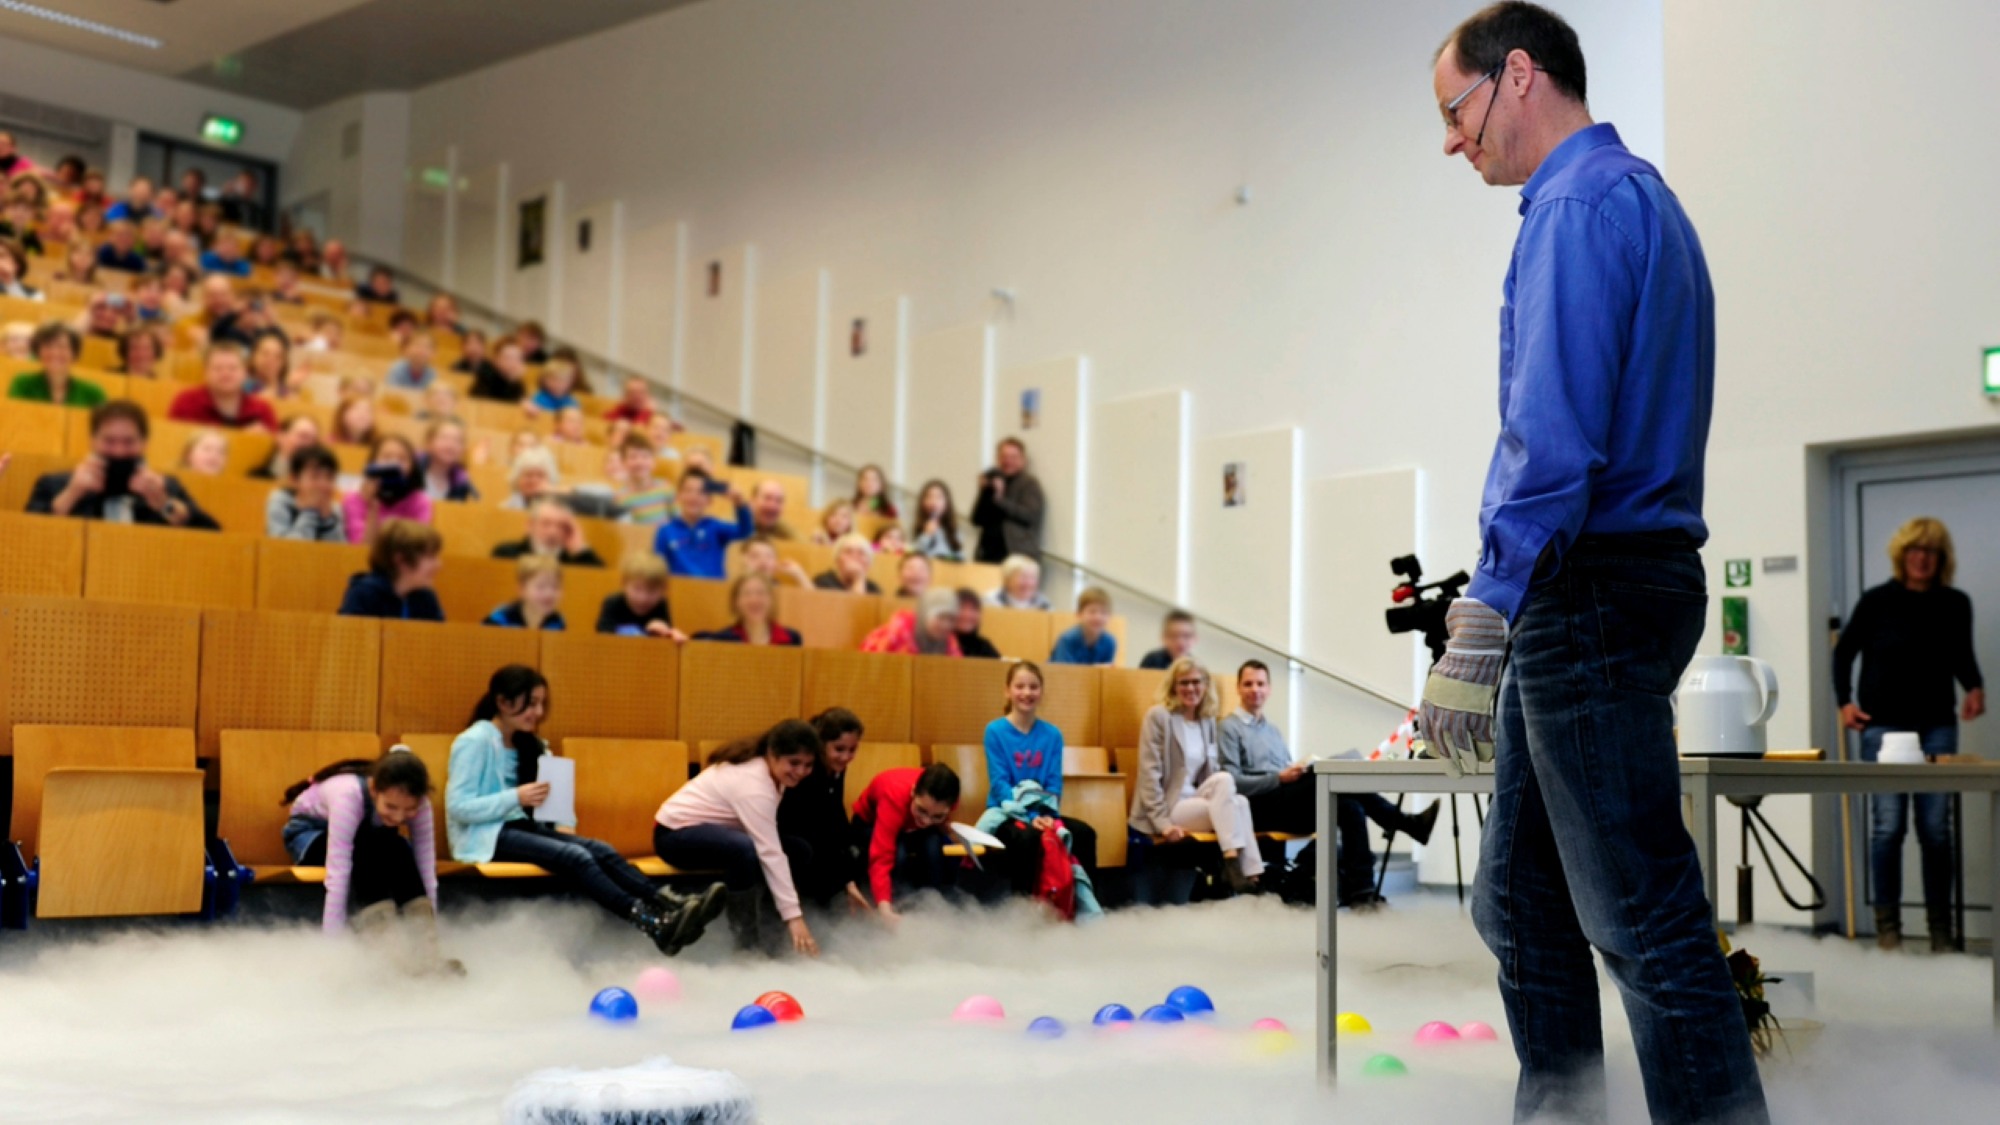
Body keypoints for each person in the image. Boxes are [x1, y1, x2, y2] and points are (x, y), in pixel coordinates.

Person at [1421, 7, 1767, 1122]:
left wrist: (1484, 610)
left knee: (1638, 915)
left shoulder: (1571, 208)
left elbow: (1550, 439)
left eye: (1453, 112)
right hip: (1627, 581)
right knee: (1519, 900)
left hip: (1590, 590)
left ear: (1516, 76)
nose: (1449, 142)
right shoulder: (1646, 202)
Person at [448, 665, 724, 955]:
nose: (538, 712)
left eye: (542, 703)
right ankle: (652, 923)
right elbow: (459, 808)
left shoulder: (533, 745)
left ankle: (670, 903)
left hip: (520, 828)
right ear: (503, 702)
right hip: (486, 836)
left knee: (599, 849)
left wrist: (565, 826)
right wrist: (515, 797)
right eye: (531, 704)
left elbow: (557, 795)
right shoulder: (474, 741)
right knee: (575, 856)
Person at [1833, 516, 1985, 952]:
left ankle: (1940, 933)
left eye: (1931, 551)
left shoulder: (1955, 603)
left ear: (1942, 559)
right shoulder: (1877, 601)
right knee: (1888, 827)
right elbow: (1844, 653)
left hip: (1937, 726)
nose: (1922, 558)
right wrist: (1845, 701)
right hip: (1882, 729)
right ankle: (1888, 932)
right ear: (1902, 555)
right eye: (1915, 550)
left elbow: (1962, 655)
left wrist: (1975, 687)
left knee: (1936, 828)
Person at [1220, 660, 1438, 907]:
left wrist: (1296, 770)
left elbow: (1285, 767)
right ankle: (1403, 822)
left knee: (1349, 806)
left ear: (1268, 688)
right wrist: (1278, 778)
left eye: (1260, 683)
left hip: (1287, 800)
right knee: (1329, 774)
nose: (1255, 689)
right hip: (1260, 806)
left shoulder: (1272, 730)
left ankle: (1362, 893)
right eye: (1248, 684)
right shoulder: (1229, 727)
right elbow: (1231, 781)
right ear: (1238, 688)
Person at [654, 720, 823, 956]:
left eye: (808, 765)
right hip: (674, 838)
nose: (801, 771)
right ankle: (746, 945)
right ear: (772, 754)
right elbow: (770, 852)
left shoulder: (772, 774)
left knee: (798, 850)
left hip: (714, 836)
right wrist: (795, 917)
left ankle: (773, 936)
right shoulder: (754, 783)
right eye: (794, 763)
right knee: (744, 850)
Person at [280, 749, 450, 969]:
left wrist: (430, 931)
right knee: (366, 846)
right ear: (373, 790)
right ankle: (386, 954)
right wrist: (331, 947)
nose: (399, 817)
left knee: (399, 847)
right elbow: (338, 872)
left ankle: (426, 957)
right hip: (310, 836)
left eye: (409, 809)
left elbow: (426, 866)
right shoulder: (349, 796)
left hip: (370, 840)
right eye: (390, 807)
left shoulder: (421, 804)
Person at [1128, 657, 1262, 893]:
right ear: (1173, 687)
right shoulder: (1158, 716)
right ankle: (1239, 868)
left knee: (1239, 800)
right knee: (1231, 792)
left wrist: (1219, 798)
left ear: (1206, 685)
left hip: (1197, 800)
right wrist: (1164, 825)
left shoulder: (1207, 719)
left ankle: (1249, 875)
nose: (1191, 688)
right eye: (1184, 683)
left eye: (1196, 682)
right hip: (1170, 806)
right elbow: (1149, 774)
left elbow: (1210, 774)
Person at [982, 661, 1099, 893]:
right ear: (1008, 691)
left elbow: (1054, 783)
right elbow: (999, 783)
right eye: (1020, 686)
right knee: (1027, 839)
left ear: (1041, 691)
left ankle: (1083, 905)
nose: (1027, 693)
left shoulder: (1053, 734)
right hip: (1006, 813)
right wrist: (1029, 816)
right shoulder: (994, 731)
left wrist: (1047, 816)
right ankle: (1024, 910)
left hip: (1044, 813)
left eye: (1033, 687)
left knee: (1085, 833)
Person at [28, 401, 217, 528]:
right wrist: (72, 493)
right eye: (109, 441)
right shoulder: (54, 484)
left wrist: (164, 504)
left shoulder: (165, 487)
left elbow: (212, 537)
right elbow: (26, 537)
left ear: (144, 443)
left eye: (129, 442)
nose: (119, 451)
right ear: (92, 441)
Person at [776, 708, 869, 913]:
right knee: (819, 853)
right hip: (790, 830)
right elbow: (814, 823)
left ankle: (847, 908)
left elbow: (835, 810)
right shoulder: (807, 768)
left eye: (852, 749)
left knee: (855, 846)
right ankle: (808, 914)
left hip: (814, 829)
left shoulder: (837, 767)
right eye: (839, 749)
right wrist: (846, 878)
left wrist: (849, 844)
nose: (846, 757)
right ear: (821, 745)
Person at [849, 763, 962, 926]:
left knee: (933, 846)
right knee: (898, 853)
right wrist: (884, 908)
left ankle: (931, 908)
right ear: (913, 792)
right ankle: (894, 909)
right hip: (869, 823)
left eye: (937, 816)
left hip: (910, 826)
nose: (927, 820)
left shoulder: (949, 799)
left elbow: (931, 822)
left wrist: (944, 825)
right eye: (922, 810)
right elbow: (881, 857)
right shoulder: (893, 796)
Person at [655, 467, 753, 578]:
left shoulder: (716, 527)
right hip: (678, 590)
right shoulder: (665, 531)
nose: (694, 496)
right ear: (678, 496)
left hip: (713, 590)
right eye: (688, 490)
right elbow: (657, 567)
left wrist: (739, 503)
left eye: (701, 492)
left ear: (710, 500)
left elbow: (745, 532)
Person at [338, 520, 444, 620]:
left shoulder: (426, 598)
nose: (438, 565)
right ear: (401, 561)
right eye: (430, 557)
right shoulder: (364, 595)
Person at [343, 435, 432, 545]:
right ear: (373, 462)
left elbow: (417, 545)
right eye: (386, 457)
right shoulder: (354, 499)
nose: (394, 464)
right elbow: (361, 549)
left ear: (412, 466)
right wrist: (373, 507)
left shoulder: (420, 500)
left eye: (402, 459)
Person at [169, 344, 279, 431]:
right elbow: (172, 442)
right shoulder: (186, 402)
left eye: (233, 368)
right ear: (205, 373)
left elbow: (275, 450)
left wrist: (263, 439)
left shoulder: (262, 410)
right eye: (218, 368)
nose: (225, 374)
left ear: (245, 374)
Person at [970, 437, 1044, 563]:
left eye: (1013, 457)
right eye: (1004, 456)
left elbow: (1030, 515)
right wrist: (984, 492)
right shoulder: (993, 481)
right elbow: (976, 519)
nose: (1008, 461)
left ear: (1023, 460)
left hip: (1016, 556)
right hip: (988, 555)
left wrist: (1000, 500)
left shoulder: (1029, 484)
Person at [7, 323, 105, 407]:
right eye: (48, 346)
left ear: (74, 353)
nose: (54, 353)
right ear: (38, 351)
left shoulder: (93, 392)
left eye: (62, 346)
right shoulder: (22, 384)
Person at [266, 444, 346, 542]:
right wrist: (310, 511)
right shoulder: (280, 502)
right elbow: (285, 549)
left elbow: (339, 553)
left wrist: (328, 521)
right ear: (294, 480)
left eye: (329, 478)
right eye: (315, 477)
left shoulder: (335, 509)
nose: (323, 484)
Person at [597, 551, 687, 639]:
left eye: (652, 591)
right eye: (637, 589)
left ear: (663, 589)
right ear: (623, 584)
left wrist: (663, 632)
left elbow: (666, 642)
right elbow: (604, 635)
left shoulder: (661, 606)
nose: (643, 598)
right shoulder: (613, 603)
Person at [493, 497, 605, 566]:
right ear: (530, 526)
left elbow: (599, 582)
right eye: (546, 524)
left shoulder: (574, 559)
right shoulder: (507, 554)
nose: (553, 531)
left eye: (560, 525)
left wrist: (579, 549)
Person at [694, 573, 801, 646]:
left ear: (772, 599)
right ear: (736, 602)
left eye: (761, 593)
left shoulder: (792, 639)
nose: (754, 600)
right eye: (747, 594)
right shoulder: (723, 640)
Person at [862, 589, 963, 657]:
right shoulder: (895, 636)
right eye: (940, 617)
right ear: (924, 615)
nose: (946, 625)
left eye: (951, 619)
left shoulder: (950, 642)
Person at [484, 555, 566, 631]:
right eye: (541, 587)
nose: (549, 594)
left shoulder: (557, 622)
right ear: (522, 590)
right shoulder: (501, 618)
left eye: (555, 587)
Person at [614, 433, 674, 525]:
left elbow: (679, 523)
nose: (640, 462)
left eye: (645, 456)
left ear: (653, 462)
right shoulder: (620, 498)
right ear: (623, 462)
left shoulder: (666, 488)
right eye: (633, 457)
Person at [1050, 587, 1118, 665]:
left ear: (1110, 616)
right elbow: (1063, 672)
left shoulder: (1109, 642)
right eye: (1092, 612)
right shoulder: (1068, 639)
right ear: (1079, 614)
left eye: (1103, 612)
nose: (1098, 617)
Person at [418, 420, 478, 502]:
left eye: (457, 441)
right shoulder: (410, 471)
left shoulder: (462, 483)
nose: (450, 445)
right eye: (444, 438)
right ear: (429, 443)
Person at [255, 415, 323, 481]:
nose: (308, 443)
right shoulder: (257, 478)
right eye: (303, 436)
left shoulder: (319, 482)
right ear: (280, 436)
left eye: (313, 440)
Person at [909, 480, 964, 561]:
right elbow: (915, 554)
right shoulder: (918, 526)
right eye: (929, 497)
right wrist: (926, 535)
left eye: (939, 497)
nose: (934, 502)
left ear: (947, 503)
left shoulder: (953, 528)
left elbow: (960, 556)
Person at [813, 533, 881, 595]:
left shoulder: (873, 589)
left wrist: (859, 579)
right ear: (837, 559)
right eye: (848, 552)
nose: (855, 556)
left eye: (861, 553)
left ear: (869, 562)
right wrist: (858, 578)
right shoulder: (823, 582)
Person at [737, 535, 813, 588]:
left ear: (775, 562)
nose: (763, 561)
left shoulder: (779, 589)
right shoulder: (735, 586)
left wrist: (799, 574)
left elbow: (815, 603)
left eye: (769, 556)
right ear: (743, 560)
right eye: (755, 556)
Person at [501, 446, 561, 510]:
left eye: (540, 475)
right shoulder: (504, 509)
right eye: (528, 475)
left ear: (550, 480)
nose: (534, 480)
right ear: (517, 479)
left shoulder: (560, 511)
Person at [472, 335, 529, 402]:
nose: (514, 363)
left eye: (518, 358)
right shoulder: (486, 376)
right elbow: (491, 404)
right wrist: (512, 382)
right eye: (508, 358)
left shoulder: (516, 381)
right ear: (496, 359)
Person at [985, 553, 1052, 610]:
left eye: (1032, 578)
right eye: (1023, 577)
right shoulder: (991, 601)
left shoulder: (1043, 604)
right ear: (1007, 579)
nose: (1028, 583)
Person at [953, 588, 1001, 658]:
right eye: (961, 608)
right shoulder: (940, 645)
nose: (967, 615)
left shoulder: (984, 647)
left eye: (973, 609)